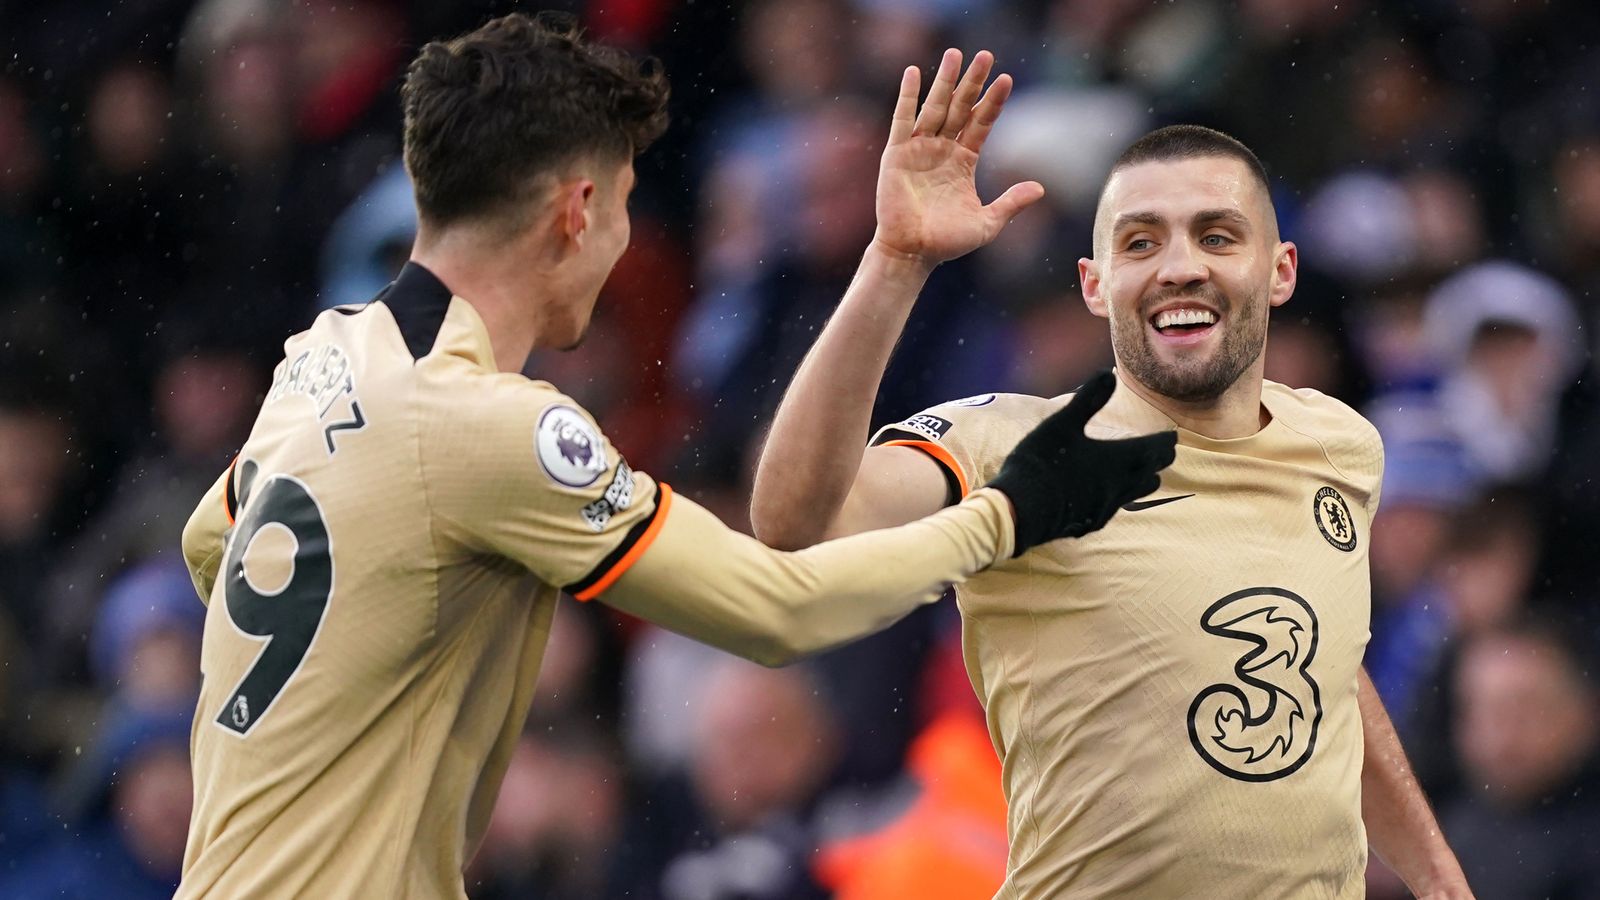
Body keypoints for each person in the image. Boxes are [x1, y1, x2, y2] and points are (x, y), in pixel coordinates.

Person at [173, 17, 1173, 899]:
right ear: (576, 210)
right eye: (620, 206)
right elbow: (777, 608)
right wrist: (1009, 515)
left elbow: (210, 543)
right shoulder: (492, 428)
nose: (621, 241)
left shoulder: (323, 360)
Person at [750, 48, 1473, 898]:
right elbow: (794, 521)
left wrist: (1439, 881)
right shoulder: (1014, 441)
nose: (1179, 267)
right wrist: (896, 264)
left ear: (1280, 272)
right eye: (1141, 242)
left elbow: (1322, 672)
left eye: (1217, 235)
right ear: (1096, 286)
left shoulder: (1340, 443)